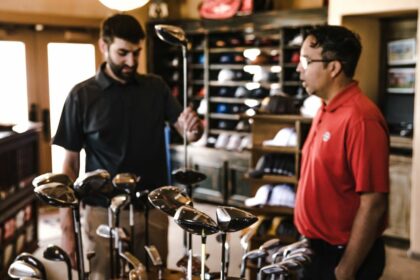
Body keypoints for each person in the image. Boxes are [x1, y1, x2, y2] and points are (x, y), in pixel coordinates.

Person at [52, 14, 203, 279]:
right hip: (102, 209)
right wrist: (67, 230)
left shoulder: (155, 87)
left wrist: (194, 128)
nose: (131, 62)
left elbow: (187, 132)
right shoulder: (81, 95)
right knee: (104, 275)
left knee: (154, 274)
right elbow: (70, 164)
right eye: (123, 53)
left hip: (153, 206)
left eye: (136, 53)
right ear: (103, 46)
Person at [295, 25, 389, 280]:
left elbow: (374, 203)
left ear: (334, 67)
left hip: (342, 256)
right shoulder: (324, 109)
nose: (298, 68)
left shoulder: (361, 119)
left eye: (306, 60)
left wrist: (346, 269)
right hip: (315, 248)